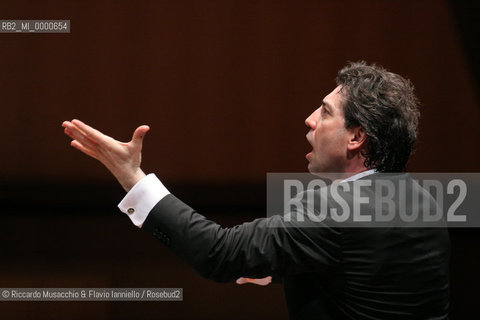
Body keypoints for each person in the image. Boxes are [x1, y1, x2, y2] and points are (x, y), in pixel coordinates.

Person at [62, 61, 449, 319]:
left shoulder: (338, 208)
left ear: (356, 137)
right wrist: (275, 270)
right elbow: (367, 272)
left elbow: (220, 253)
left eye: (326, 111)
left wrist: (131, 175)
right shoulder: (424, 200)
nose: (310, 120)